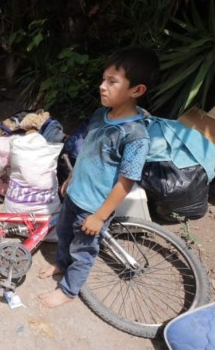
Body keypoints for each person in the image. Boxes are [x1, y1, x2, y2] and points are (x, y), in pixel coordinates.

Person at [38, 46, 160, 308]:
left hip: (94, 206)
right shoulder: (99, 115)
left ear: (136, 90)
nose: (102, 86)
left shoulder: (135, 136)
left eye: (112, 81)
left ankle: (69, 290)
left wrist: (100, 215)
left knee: (82, 251)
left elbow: (126, 181)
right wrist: (71, 178)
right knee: (63, 234)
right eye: (103, 79)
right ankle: (60, 265)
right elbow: (88, 152)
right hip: (74, 194)